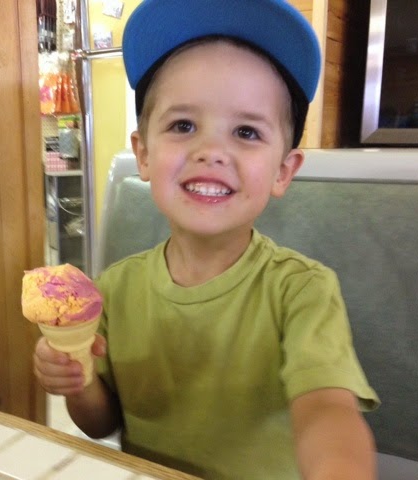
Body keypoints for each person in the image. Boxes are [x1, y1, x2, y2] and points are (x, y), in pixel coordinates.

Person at [34, 0, 380, 478]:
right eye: (183, 126)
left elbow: (326, 410)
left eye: (246, 131)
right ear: (144, 153)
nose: (212, 150)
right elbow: (100, 423)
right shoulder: (112, 289)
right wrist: (76, 380)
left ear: (283, 171)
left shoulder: (303, 290)